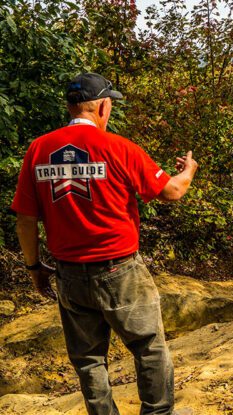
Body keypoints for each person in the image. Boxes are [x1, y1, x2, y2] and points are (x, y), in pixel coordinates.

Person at [11, 73, 197, 415]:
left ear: (69, 107)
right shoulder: (118, 148)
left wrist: (34, 267)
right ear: (103, 107)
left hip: (68, 273)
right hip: (119, 269)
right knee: (148, 347)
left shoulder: (39, 149)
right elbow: (172, 191)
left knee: (88, 359)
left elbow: (25, 219)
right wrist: (189, 171)